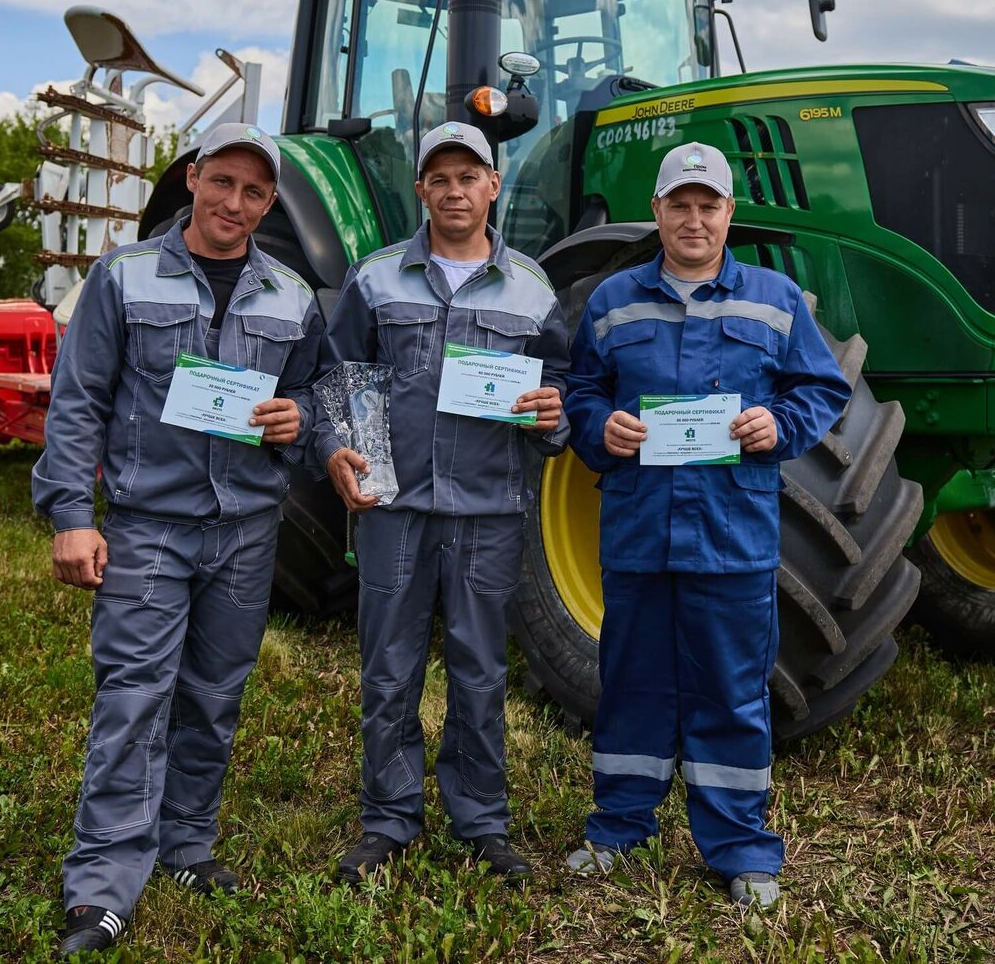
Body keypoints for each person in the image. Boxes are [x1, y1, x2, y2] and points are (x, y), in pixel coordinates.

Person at [31, 122, 323, 955]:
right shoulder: (122, 277)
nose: (236, 202)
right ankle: (102, 884)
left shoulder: (293, 297)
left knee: (213, 696)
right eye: (223, 182)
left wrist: (298, 420)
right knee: (133, 697)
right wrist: (72, 517)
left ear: (270, 202)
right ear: (193, 178)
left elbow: (312, 397)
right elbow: (78, 401)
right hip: (150, 527)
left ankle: (186, 843)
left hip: (247, 532)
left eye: (255, 191)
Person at [560, 141, 851, 909]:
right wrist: (601, 427)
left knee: (731, 691)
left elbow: (822, 389)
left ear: (729, 213)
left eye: (708, 205)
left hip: (732, 537)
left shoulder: (775, 300)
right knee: (632, 684)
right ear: (657, 211)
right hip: (639, 534)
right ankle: (618, 829)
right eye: (680, 205)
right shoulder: (612, 300)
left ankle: (740, 847)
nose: (694, 219)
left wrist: (778, 424)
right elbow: (581, 391)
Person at [313, 121, 570, 885]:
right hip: (393, 508)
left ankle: (481, 819)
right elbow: (338, 378)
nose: (455, 192)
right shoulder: (375, 278)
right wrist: (337, 449)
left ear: (494, 186)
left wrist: (554, 416)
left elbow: (560, 387)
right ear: (421, 189)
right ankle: (388, 818)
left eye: (469, 178)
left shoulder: (532, 288)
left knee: (480, 668)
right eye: (441, 179)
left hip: (488, 510)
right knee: (388, 668)